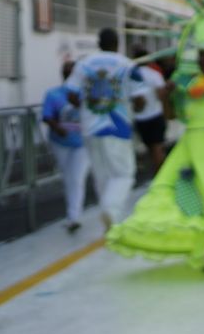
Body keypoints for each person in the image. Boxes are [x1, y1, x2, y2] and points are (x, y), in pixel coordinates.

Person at [107, 7, 204, 265]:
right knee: (191, 201)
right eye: (203, 55)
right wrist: (166, 98)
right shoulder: (186, 83)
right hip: (191, 150)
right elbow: (171, 117)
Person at [66, 28, 145, 231]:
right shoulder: (128, 65)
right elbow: (140, 99)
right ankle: (111, 211)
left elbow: (71, 94)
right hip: (118, 127)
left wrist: (88, 106)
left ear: (99, 43)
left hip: (90, 127)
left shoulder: (84, 64)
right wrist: (133, 106)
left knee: (102, 176)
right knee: (124, 174)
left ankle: (111, 224)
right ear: (118, 43)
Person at [41, 60, 89, 233]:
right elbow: (46, 116)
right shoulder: (53, 94)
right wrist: (57, 128)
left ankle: (74, 217)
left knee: (76, 178)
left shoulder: (87, 94)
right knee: (68, 177)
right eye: (67, 73)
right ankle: (73, 214)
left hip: (82, 143)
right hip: (60, 142)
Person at [129, 46, 168, 174]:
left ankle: (158, 175)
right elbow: (161, 95)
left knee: (150, 149)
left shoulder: (131, 76)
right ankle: (161, 175)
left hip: (140, 118)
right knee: (158, 148)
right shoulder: (154, 74)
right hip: (155, 115)